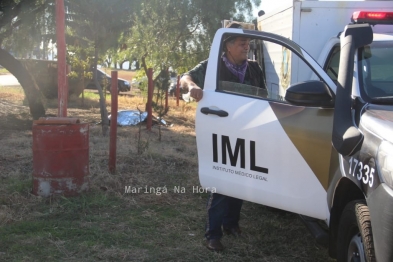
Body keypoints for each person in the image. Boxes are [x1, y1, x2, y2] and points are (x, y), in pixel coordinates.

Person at [180, 22, 266, 252]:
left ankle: (231, 224)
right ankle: (213, 234)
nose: (246, 46)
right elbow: (184, 77)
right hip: (221, 131)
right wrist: (192, 87)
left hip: (247, 131)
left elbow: (264, 97)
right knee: (222, 181)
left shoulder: (255, 69)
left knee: (242, 177)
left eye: (248, 42)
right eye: (241, 42)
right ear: (228, 45)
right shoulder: (213, 66)